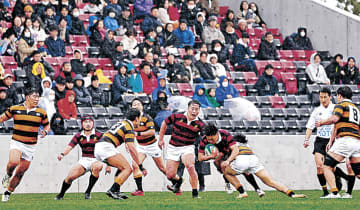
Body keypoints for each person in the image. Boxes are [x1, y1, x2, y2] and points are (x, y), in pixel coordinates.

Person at [203, 127, 305, 198]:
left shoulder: (231, 143)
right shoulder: (245, 145)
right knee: (269, 181)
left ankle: (242, 192)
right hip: (253, 159)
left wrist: (224, 160)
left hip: (241, 159)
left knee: (225, 171)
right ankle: (291, 193)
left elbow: (231, 153)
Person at [1, 88, 50, 202]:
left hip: (31, 146)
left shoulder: (41, 112)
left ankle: (8, 192)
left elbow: (47, 126)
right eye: (34, 96)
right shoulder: (15, 109)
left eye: (38, 97)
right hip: (17, 142)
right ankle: (8, 175)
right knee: (13, 162)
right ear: (27, 97)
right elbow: (2, 118)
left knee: (20, 172)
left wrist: (46, 131)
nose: (37, 99)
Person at [315, 86, 360, 198]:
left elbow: (334, 119)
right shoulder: (356, 108)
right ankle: (347, 194)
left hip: (345, 139)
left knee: (327, 166)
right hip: (356, 141)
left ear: (340, 95)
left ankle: (334, 193)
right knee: (358, 172)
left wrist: (322, 122)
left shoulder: (341, 105)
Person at [303, 87, 347, 198]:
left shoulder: (335, 108)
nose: (323, 99)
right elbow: (309, 127)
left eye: (325, 97)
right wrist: (306, 139)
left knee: (330, 167)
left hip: (332, 140)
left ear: (330, 97)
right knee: (319, 166)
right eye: (321, 97)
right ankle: (325, 191)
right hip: (320, 140)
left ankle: (341, 180)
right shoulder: (317, 111)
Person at [94, 108, 146, 199]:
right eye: (140, 118)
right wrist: (140, 164)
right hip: (106, 147)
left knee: (122, 168)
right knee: (127, 169)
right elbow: (131, 147)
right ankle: (113, 190)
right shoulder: (129, 127)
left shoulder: (122, 123)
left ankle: (116, 191)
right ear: (137, 119)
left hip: (100, 146)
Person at [198, 124, 265, 195]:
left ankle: (257, 189)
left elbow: (235, 150)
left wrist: (228, 160)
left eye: (212, 139)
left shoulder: (226, 135)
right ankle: (232, 186)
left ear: (217, 134)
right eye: (209, 139)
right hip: (221, 154)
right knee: (222, 167)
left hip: (232, 153)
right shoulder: (204, 140)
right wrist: (211, 156)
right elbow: (200, 158)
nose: (210, 141)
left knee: (245, 171)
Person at [158, 100, 205, 198]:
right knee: (170, 175)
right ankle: (178, 181)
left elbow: (205, 138)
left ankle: (195, 193)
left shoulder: (200, 124)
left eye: (197, 109)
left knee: (190, 166)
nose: (194, 111)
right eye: (192, 109)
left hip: (188, 147)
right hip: (173, 147)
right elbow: (164, 123)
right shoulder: (177, 116)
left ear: (199, 111)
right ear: (188, 108)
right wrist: (161, 139)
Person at [55, 116, 107, 200]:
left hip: (96, 159)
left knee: (97, 166)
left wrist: (108, 165)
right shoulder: (78, 135)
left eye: (90, 122)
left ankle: (88, 192)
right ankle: (60, 195)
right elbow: (70, 146)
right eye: (85, 122)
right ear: (82, 124)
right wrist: (62, 154)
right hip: (84, 160)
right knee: (69, 178)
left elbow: (106, 149)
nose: (88, 124)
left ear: (93, 123)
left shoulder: (99, 135)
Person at [129, 98, 167, 196]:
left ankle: (177, 182)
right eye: (134, 104)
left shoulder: (147, 117)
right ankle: (140, 190)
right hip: (141, 146)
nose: (136, 106)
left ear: (142, 106)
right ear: (131, 107)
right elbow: (128, 133)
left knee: (162, 168)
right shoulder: (130, 120)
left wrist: (138, 133)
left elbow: (151, 132)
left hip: (152, 146)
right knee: (135, 164)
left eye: (138, 104)